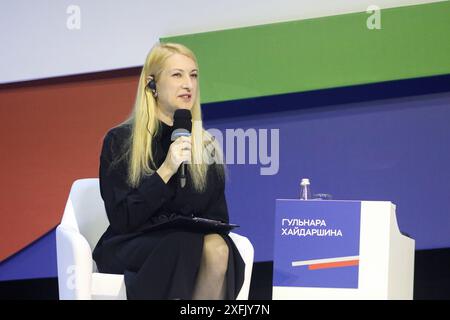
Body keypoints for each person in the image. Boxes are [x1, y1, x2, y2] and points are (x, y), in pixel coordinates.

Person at [92, 42, 244, 300]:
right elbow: (123, 219)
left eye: (193, 75)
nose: (188, 84)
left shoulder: (205, 145)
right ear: (152, 85)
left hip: (186, 244)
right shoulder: (120, 141)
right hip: (132, 242)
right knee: (183, 246)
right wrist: (166, 170)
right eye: (177, 75)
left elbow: (216, 219)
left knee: (218, 248)